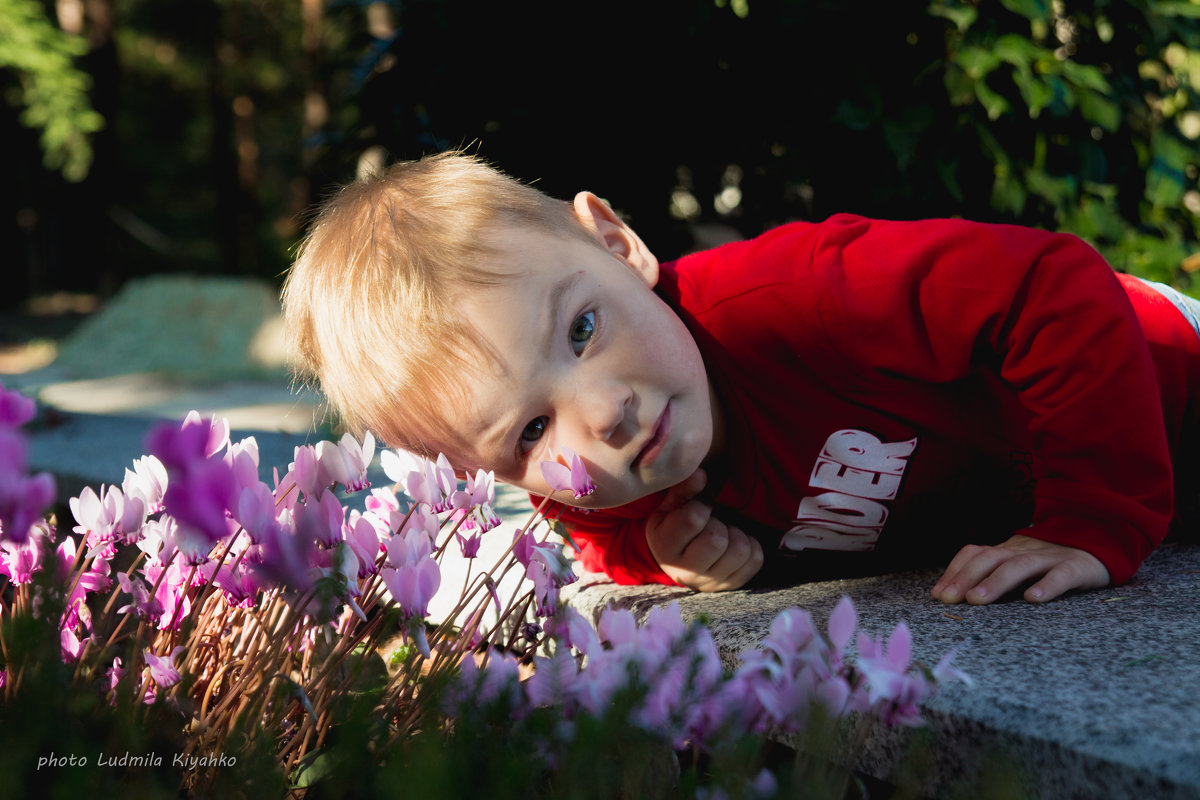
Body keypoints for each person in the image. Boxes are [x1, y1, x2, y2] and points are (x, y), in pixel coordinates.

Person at [281, 151, 1200, 606]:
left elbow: (1052, 286)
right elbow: (595, 540)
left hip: (1164, 380)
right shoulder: (595, 486)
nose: (600, 415)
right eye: (529, 433)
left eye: (584, 328)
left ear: (617, 244)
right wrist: (662, 554)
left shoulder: (794, 301)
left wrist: (1096, 516)